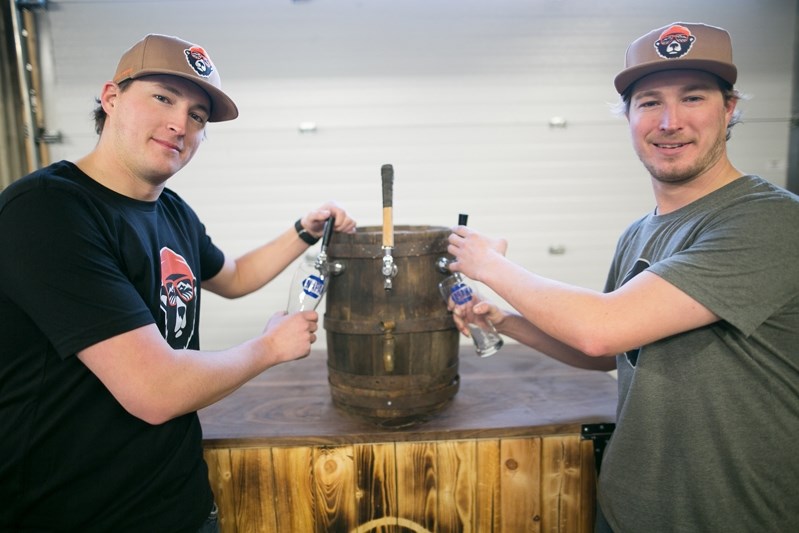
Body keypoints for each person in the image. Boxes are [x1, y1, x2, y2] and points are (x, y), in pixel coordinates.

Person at [445, 22, 798, 532]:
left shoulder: (770, 220)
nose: (670, 121)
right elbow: (610, 352)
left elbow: (601, 326)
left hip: (732, 514)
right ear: (629, 117)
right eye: (649, 102)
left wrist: (488, 265)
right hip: (628, 508)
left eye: (694, 98)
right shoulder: (640, 232)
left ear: (730, 108)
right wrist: (505, 320)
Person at [0, 34, 356, 532]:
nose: (179, 123)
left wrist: (304, 231)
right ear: (111, 98)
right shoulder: (48, 211)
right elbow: (154, 389)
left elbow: (232, 277)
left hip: (177, 505)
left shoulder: (170, 210)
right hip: (73, 514)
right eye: (163, 97)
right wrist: (269, 347)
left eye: (197, 115)